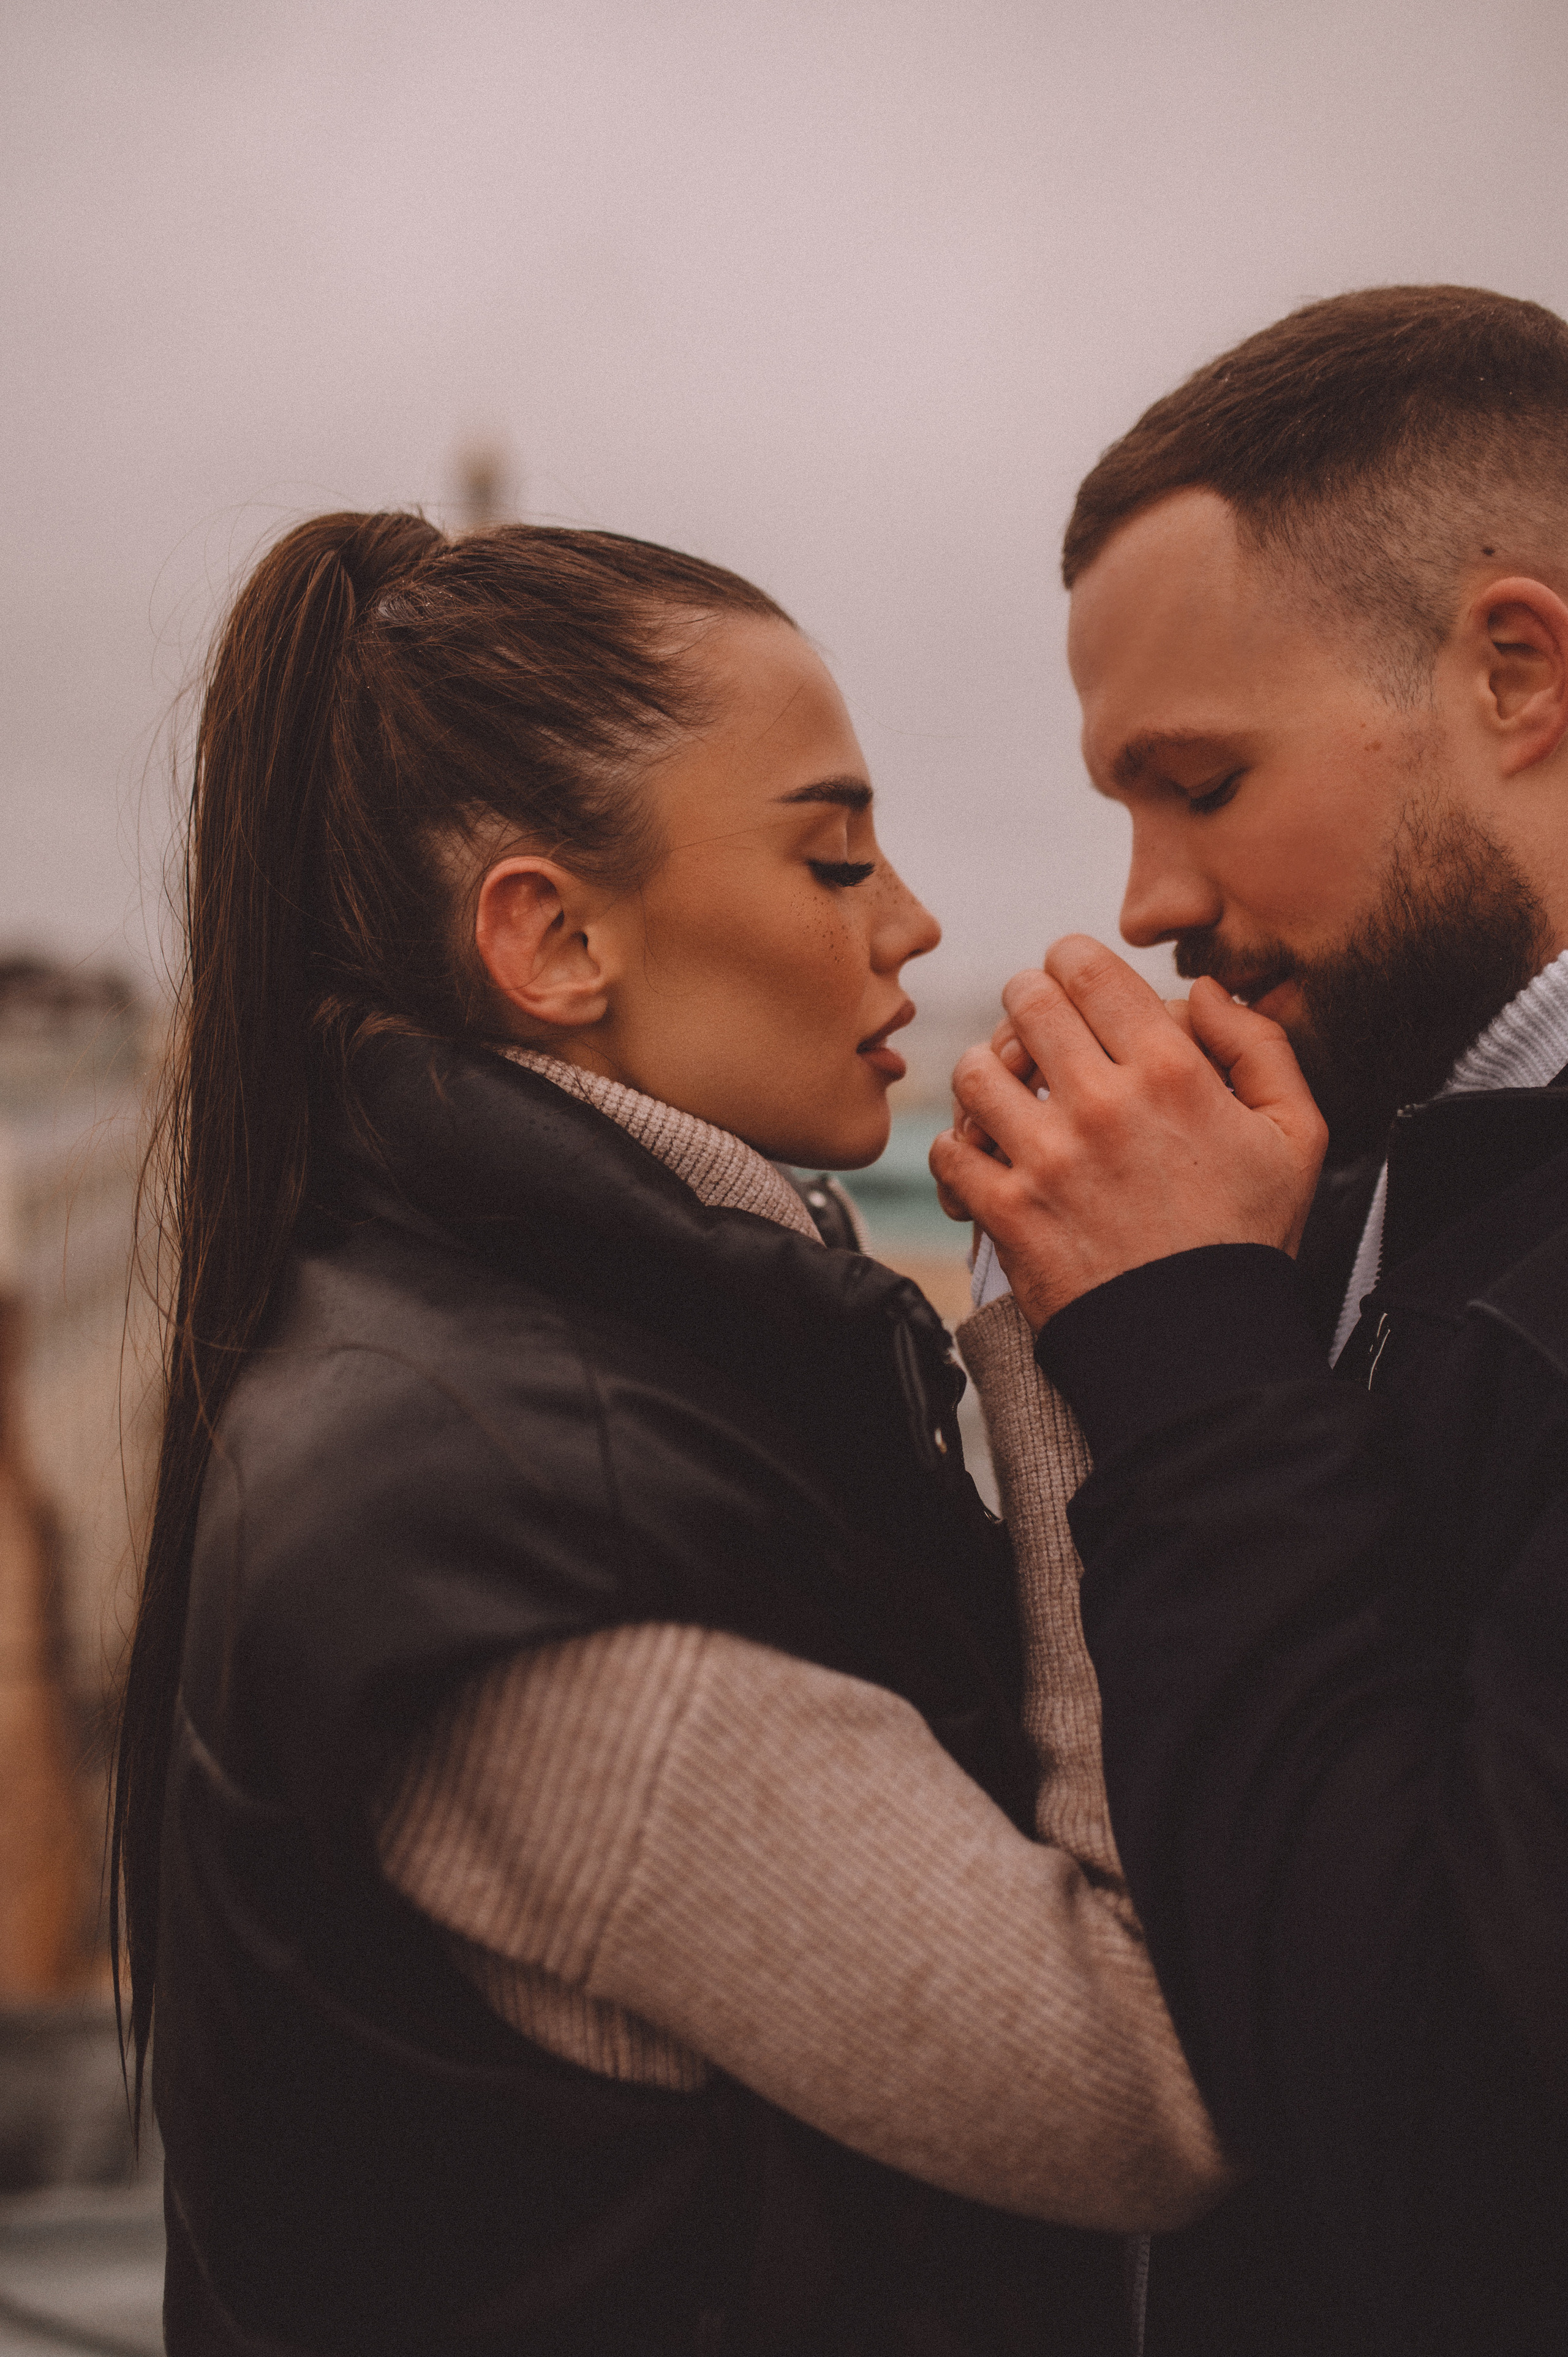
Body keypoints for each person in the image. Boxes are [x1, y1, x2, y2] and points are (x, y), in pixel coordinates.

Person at [111, 513, 1227, 2356]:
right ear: (551, 939)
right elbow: (1147, 2079)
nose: (913, 919)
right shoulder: (535, 1551)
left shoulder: (491, 1351)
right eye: (833, 853)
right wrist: (1081, 1330)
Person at [935, 286, 1568, 2355]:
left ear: (1516, 669)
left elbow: (1463, 2139)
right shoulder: (1396, 1171)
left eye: (1199, 779)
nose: (1143, 895)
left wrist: (1189, 1346)